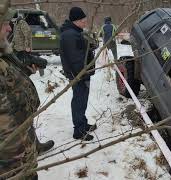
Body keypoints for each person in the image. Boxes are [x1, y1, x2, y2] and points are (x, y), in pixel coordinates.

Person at [0, 8, 53, 180]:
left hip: (23, 150)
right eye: (5, 24)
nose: (9, 29)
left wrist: (24, 74)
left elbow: (8, 84)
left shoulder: (4, 54)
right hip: (13, 163)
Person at [60, 7, 96, 141]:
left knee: (82, 99)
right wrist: (83, 75)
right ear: (77, 20)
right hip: (78, 75)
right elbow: (75, 59)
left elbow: (80, 50)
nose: (85, 23)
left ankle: (83, 123)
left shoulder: (75, 32)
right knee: (79, 101)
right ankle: (79, 131)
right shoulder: (70, 35)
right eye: (83, 20)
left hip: (81, 74)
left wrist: (89, 47)